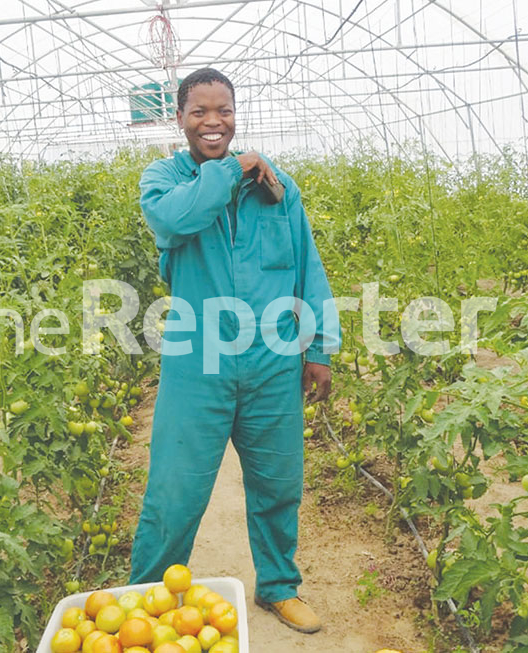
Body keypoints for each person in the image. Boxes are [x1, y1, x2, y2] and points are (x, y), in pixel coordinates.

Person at [129, 67, 340, 634]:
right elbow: (175, 220)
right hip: (197, 360)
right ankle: (145, 599)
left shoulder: (277, 187)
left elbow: (307, 265)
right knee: (174, 491)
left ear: (235, 115)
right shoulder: (164, 179)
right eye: (199, 111)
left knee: (278, 483)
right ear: (179, 118)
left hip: (272, 356)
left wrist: (318, 347)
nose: (213, 122)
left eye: (223, 110)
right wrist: (230, 168)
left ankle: (278, 587)